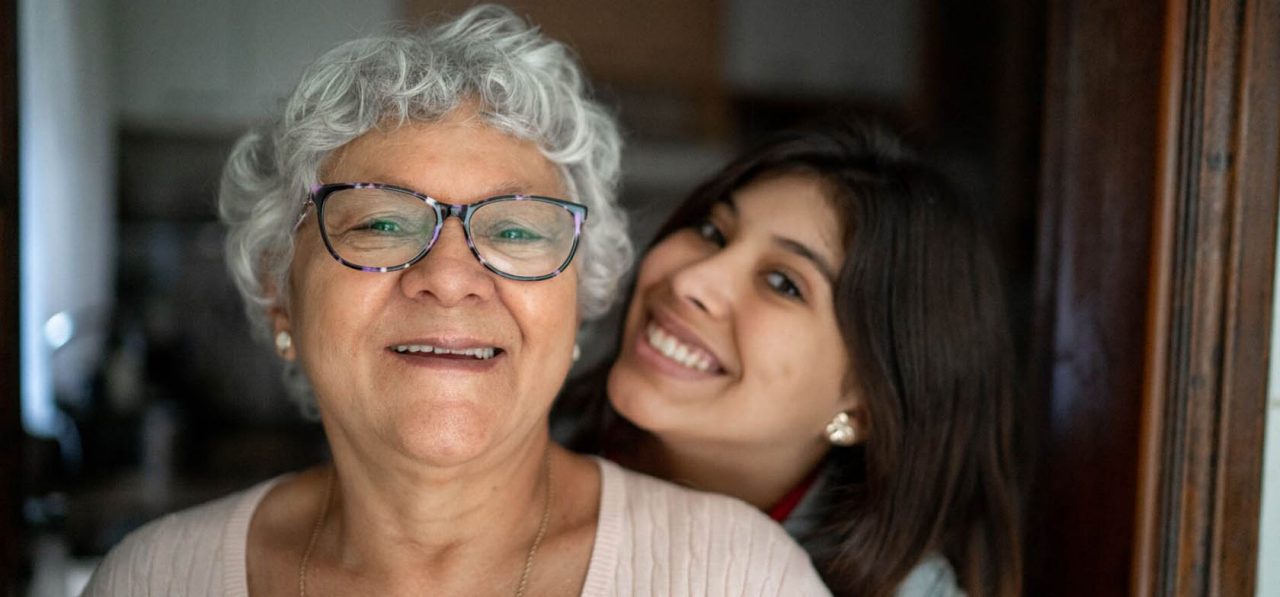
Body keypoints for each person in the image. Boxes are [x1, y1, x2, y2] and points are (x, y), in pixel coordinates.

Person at [84, 6, 830, 596]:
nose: (449, 275)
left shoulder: (738, 576)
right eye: (378, 222)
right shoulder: (151, 577)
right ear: (280, 292)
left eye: (514, 229)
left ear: (578, 306)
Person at [561, 120, 1022, 596]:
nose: (691, 282)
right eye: (712, 232)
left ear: (864, 407)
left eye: (783, 283)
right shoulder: (516, 445)